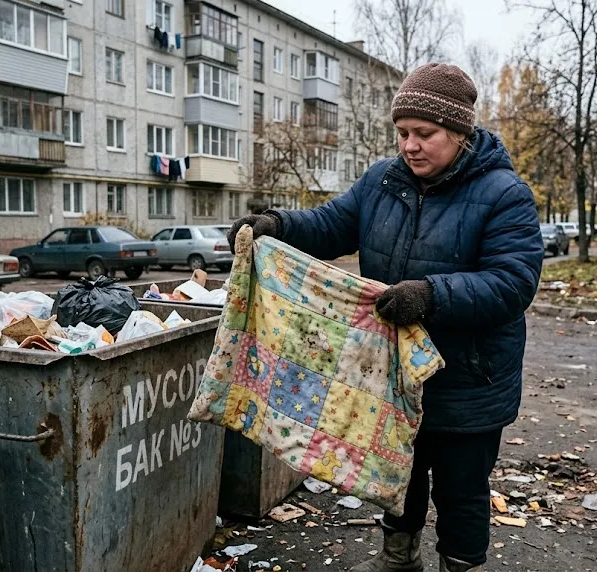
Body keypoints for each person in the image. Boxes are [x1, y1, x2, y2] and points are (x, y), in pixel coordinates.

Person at [228, 63, 543, 572]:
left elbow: (512, 284)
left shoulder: (504, 194)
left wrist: (430, 295)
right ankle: (398, 561)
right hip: (393, 374)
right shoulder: (382, 180)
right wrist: (277, 225)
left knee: (462, 492)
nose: (410, 146)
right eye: (402, 133)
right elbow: (331, 224)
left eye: (425, 134)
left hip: (467, 381)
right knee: (398, 475)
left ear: (460, 132)